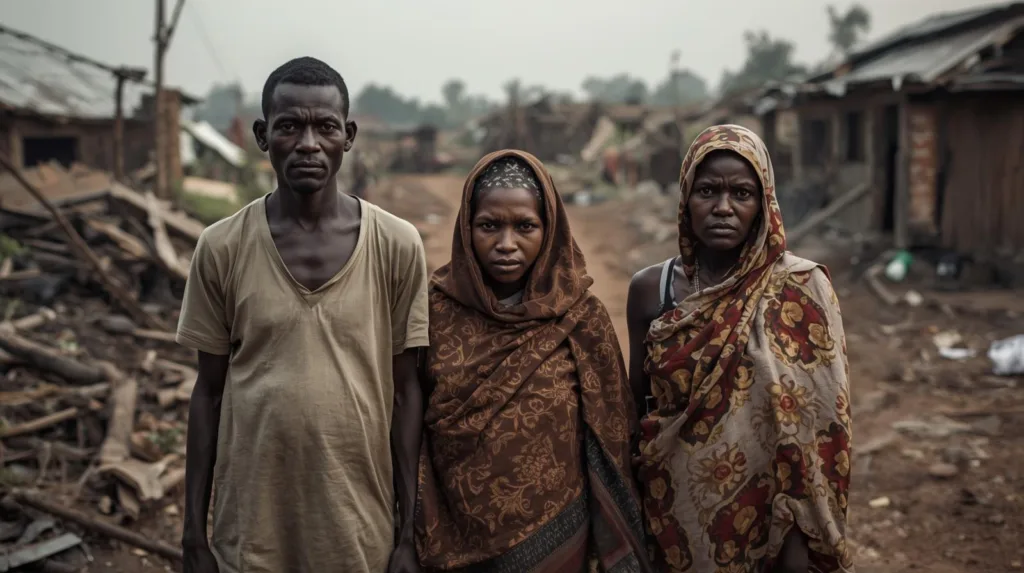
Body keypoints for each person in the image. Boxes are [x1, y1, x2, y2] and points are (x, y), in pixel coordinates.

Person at [176, 56, 428, 573]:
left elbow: (407, 394)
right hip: (251, 532)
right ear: (263, 136)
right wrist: (192, 536)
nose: (309, 143)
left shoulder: (396, 245)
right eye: (290, 126)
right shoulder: (221, 247)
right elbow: (208, 392)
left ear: (349, 135)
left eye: (325, 127)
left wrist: (408, 534)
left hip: (359, 529)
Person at [626, 125, 853, 573]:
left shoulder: (803, 288)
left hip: (774, 510)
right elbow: (635, 407)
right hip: (672, 505)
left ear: (763, 203)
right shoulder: (651, 290)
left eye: (742, 193)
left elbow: (826, 419)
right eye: (707, 191)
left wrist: (804, 530)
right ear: (686, 198)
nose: (723, 208)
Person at [415, 150, 652, 573]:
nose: (507, 244)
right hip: (452, 537)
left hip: (562, 535)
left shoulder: (581, 316)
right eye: (489, 226)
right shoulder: (434, 313)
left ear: (551, 229)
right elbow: (409, 423)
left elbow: (614, 430)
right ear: (466, 230)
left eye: (525, 226)